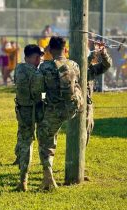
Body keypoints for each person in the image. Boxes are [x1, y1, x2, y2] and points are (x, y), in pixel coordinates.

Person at [37, 36, 84, 190]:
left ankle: (48, 176)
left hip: (54, 109)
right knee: (54, 134)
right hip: (72, 109)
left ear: (50, 49)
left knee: (45, 139)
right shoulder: (74, 65)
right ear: (65, 48)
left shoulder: (45, 67)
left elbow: (40, 88)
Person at [13, 44, 45, 192]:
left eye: (40, 56)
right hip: (34, 110)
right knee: (33, 143)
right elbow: (40, 89)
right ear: (27, 58)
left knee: (24, 139)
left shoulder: (19, 68)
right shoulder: (36, 73)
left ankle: (22, 179)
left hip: (22, 109)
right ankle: (26, 180)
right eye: (36, 57)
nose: (39, 59)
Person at [86, 42, 112, 145]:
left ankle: (80, 156)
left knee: (88, 128)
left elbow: (107, 65)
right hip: (75, 104)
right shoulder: (74, 67)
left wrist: (103, 54)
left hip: (87, 105)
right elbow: (81, 68)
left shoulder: (91, 69)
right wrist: (91, 55)